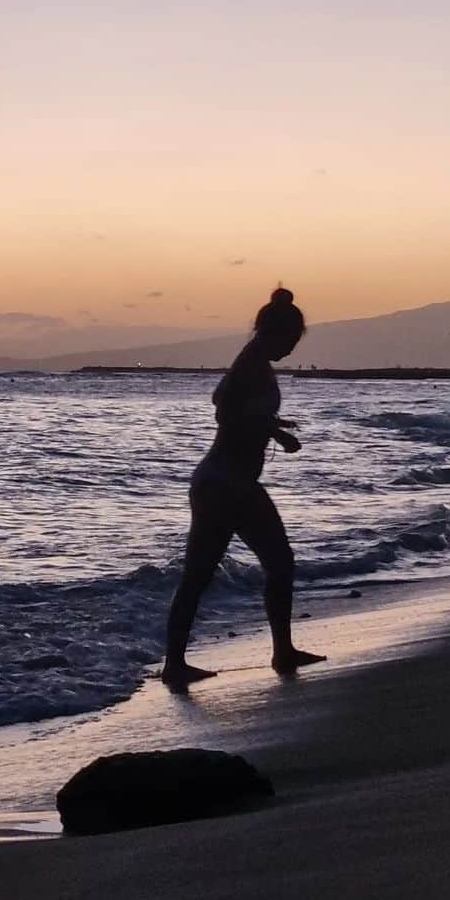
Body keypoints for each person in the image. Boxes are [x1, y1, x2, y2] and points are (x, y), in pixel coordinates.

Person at [161, 287, 325, 689]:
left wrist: (273, 426)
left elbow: (237, 407)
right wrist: (275, 432)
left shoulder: (256, 363)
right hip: (227, 483)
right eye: (289, 341)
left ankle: (178, 663)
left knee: (204, 574)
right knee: (274, 562)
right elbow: (225, 410)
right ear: (272, 333)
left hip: (222, 482)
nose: (290, 350)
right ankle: (278, 652)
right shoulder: (252, 363)